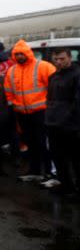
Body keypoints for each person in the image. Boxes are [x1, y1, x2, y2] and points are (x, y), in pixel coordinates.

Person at [4, 40, 56, 183]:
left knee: (44, 143)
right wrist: (12, 107)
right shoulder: (12, 71)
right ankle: (35, 171)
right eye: (17, 54)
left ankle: (51, 173)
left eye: (22, 53)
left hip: (42, 112)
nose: (19, 56)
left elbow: (55, 88)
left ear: (28, 53)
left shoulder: (44, 67)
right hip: (22, 114)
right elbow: (8, 92)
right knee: (30, 143)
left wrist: (52, 107)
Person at [45, 48, 80, 197]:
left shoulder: (77, 75)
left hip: (71, 126)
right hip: (53, 125)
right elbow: (50, 98)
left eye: (62, 58)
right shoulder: (53, 76)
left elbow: (77, 102)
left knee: (76, 158)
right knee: (58, 157)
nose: (58, 62)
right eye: (56, 59)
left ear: (69, 58)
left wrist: (68, 118)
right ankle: (66, 186)